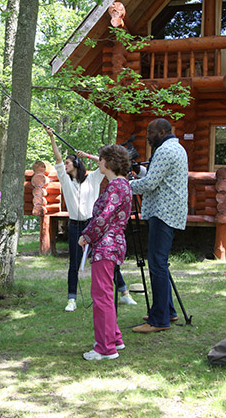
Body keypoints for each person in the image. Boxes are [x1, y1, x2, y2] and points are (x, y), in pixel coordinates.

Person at [44, 126, 137, 312]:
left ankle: (124, 292)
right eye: (67, 163)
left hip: (94, 225)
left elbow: (108, 165)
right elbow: (58, 160)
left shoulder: (93, 179)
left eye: (71, 162)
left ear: (77, 164)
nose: (67, 164)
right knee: (74, 263)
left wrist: (87, 155)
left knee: (106, 259)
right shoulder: (66, 181)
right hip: (75, 226)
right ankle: (72, 299)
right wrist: (52, 138)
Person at [129, 118, 188, 334]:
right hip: (170, 211)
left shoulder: (164, 151)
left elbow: (150, 184)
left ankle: (159, 319)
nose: (147, 136)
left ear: (162, 132)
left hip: (163, 212)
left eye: (151, 132)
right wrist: (139, 172)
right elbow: (158, 178)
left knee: (157, 264)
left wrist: (124, 185)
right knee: (160, 263)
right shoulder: (177, 148)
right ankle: (167, 311)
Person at [78, 144, 132, 360]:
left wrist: (86, 236)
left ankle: (105, 348)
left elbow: (103, 218)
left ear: (109, 162)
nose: (98, 162)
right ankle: (114, 338)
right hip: (112, 244)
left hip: (106, 245)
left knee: (101, 297)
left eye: (100, 159)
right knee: (106, 295)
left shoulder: (116, 186)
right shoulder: (120, 185)